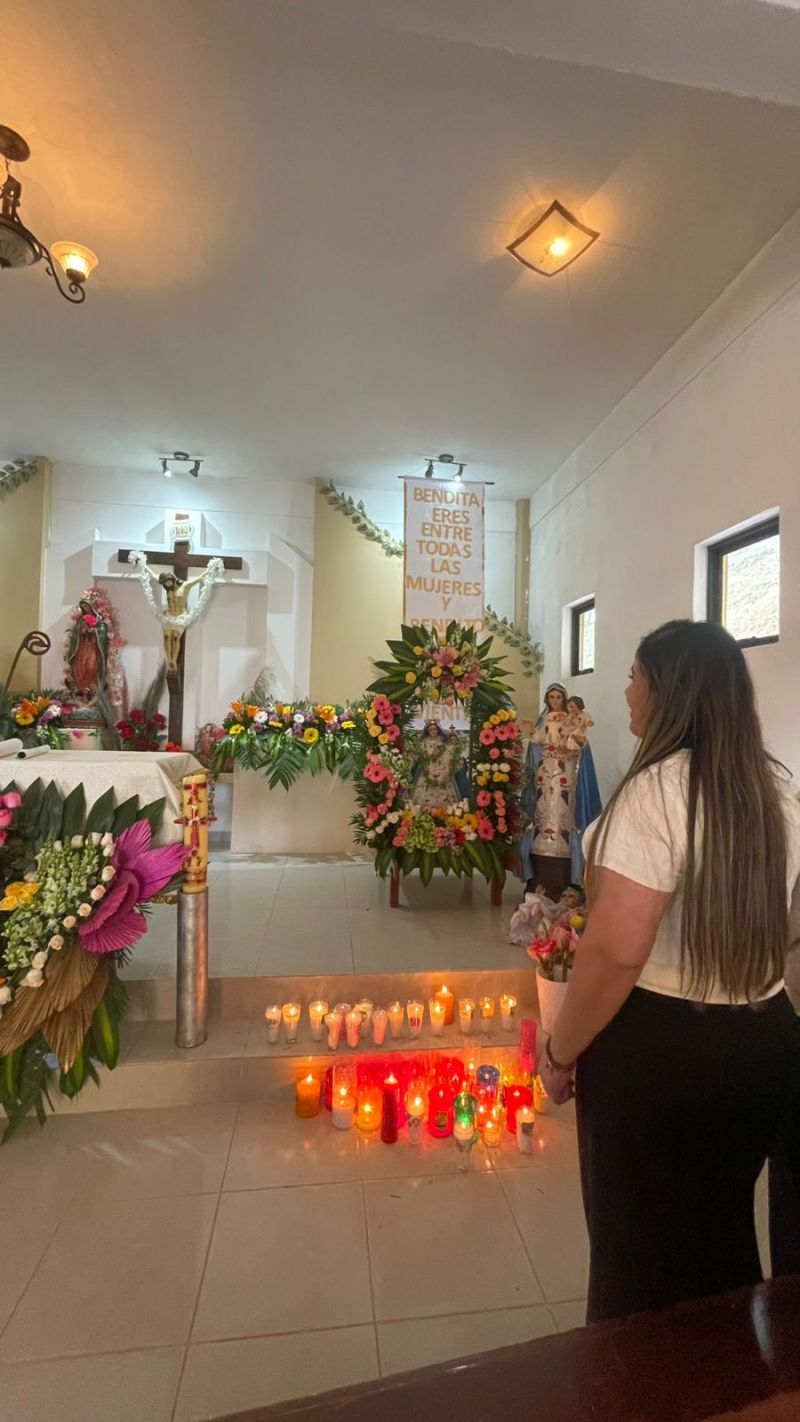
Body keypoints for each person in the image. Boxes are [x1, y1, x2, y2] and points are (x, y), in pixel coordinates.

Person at [539, 619, 800, 1323]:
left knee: (638, 1255)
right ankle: (729, 1383)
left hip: (662, 1048)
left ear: (669, 692)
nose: (625, 691)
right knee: (721, 1235)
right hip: (763, 1041)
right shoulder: (778, 790)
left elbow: (620, 950)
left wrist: (561, 1048)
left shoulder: (656, 793)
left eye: (635, 676)